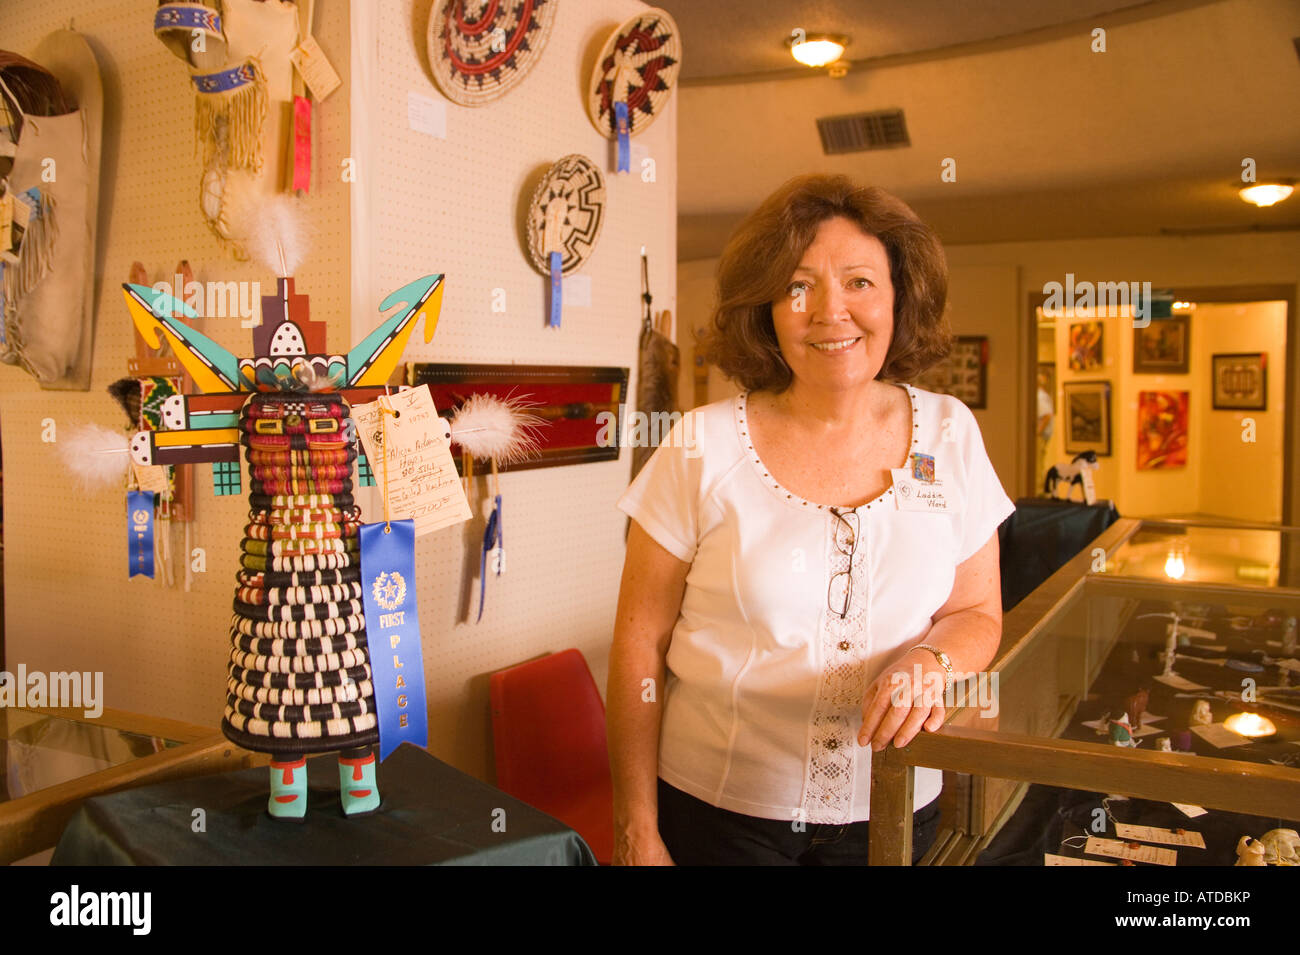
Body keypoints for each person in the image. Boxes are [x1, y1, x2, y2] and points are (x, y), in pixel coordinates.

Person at [607, 174, 1016, 866]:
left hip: (897, 806)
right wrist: (636, 828)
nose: (831, 311)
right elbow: (638, 643)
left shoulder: (950, 433)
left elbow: (977, 609)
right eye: (799, 285)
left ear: (898, 298)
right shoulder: (701, 446)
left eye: (859, 281)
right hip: (718, 815)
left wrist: (931, 660)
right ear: (766, 308)